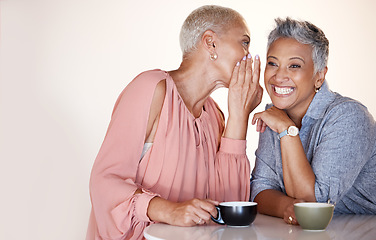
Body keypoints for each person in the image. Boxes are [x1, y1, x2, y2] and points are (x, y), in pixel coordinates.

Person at [86, 5, 263, 240]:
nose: (249, 55)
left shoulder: (215, 114)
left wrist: (238, 116)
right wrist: (169, 210)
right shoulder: (151, 88)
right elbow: (104, 181)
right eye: (244, 42)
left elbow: (228, 207)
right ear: (210, 43)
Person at [250, 17, 376, 225]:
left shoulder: (349, 116)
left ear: (319, 76)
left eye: (294, 66)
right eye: (273, 63)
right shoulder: (276, 115)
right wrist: (286, 207)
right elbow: (260, 190)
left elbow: (313, 205)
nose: (279, 76)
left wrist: (287, 130)